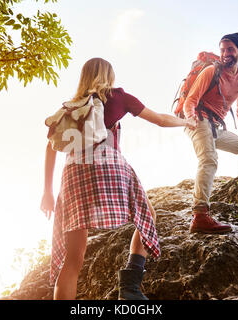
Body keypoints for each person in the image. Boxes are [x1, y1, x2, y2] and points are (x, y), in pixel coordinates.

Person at [40, 57, 195, 300]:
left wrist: (47, 192)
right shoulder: (118, 96)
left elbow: (50, 148)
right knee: (147, 215)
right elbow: (161, 120)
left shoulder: (68, 108)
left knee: (73, 258)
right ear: (108, 76)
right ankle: (130, 287)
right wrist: (187, 121)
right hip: (107, 167)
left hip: (73, 175)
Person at [183, 32, 238, 234]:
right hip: (198, 119)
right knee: (209, 159)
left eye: (230, 49)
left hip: (216, 127)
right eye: (222, 49)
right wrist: (190, 118)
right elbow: (190, 100)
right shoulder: (210, 71)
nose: (225, 53)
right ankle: (200, 215)